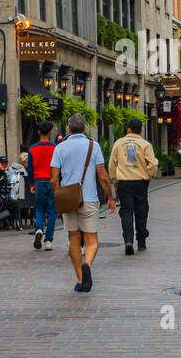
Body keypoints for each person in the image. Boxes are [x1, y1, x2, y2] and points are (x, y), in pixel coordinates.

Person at [50, 113, 115, 293]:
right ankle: (87, 263)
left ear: (68, 128)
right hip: (89, 199)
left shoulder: (59, 148)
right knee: (91, 240)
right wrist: (110, 197)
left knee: (73, 238)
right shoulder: (94, 146)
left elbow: (53, 179)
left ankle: (80, 279)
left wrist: (58, 195)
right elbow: (102, 176)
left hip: (68, 199)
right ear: (85, 128)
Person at [109, 116, 157, 255]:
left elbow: (112, 163)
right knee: (141, 211)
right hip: (140, 182)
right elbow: (153, 164)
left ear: (128, 129)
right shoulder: (145, 144)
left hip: (124, 182)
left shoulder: (119, 143)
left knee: (126, 211)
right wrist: (150, 176)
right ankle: (141, 242)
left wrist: (114, 178)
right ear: (141, 130)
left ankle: (128, 240)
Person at [28, 122, 58, 251]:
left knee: (39, 208)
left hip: (38, 182)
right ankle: (49, 240)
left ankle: (39, 228)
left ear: (38, 132)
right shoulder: (55, 148)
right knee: (52, 211)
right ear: (50, 132)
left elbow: (30, 169)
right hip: (52, 181)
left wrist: (31, 184)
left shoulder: (32, 148)